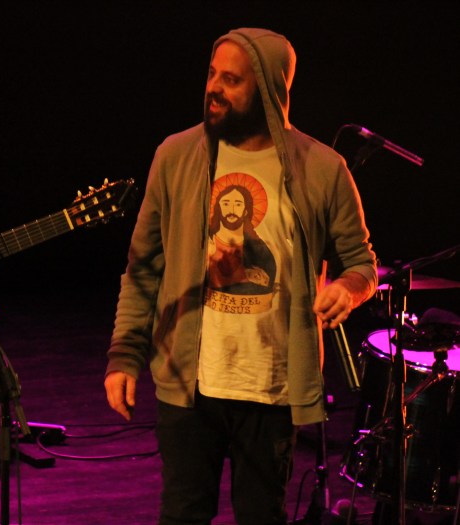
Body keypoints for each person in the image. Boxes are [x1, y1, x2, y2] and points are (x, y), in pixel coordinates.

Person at [104, 28, 377, 525]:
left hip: (270, 390)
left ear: (269, 89)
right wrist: (125, 355)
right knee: (182, 514)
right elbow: (142, 269)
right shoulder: (176, 156)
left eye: (231, 79)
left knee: (261, 515)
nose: (214, 87)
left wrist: (348, 288)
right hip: (189, 387)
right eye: (212, 74)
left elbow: (361, 262)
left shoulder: (323, 168)